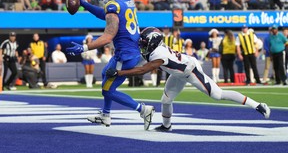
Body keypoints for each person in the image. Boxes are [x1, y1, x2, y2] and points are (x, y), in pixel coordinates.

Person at [105, 27, 271, 132]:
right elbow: (140, 61)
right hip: (177, 73)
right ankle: (166, 126)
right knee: (166, 100)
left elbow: (142, 70)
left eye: (144, 42)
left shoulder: (158, 54)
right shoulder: (153, 49)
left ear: (152, 43)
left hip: (190, 71)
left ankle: (257, 105)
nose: (142, 45)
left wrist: (119, 73)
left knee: (217, 95)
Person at [66, 0, 154, 130]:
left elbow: (108, 36)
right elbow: (104, 14)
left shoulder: (114, 6)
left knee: (107, 90)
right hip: (126, 51)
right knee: (107, 74)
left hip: (126, 56)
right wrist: (84, 4)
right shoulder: (126, 2)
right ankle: (105, 115)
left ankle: (143, 109)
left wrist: (85, 47)